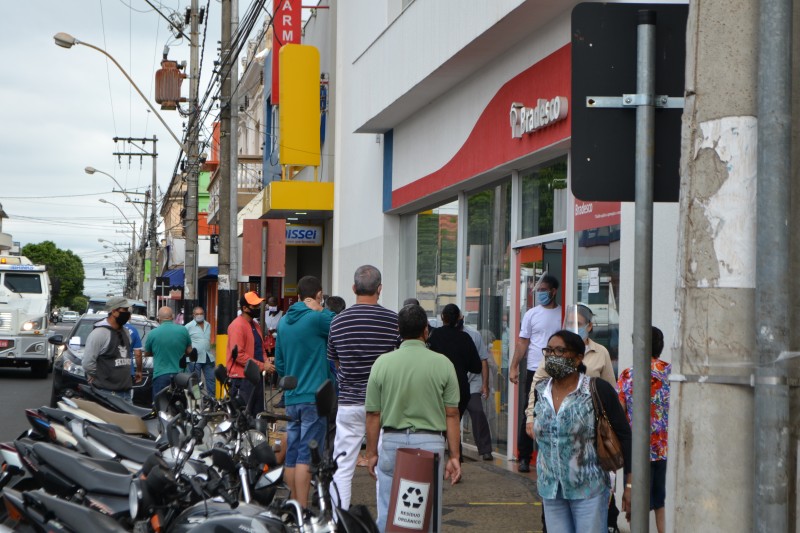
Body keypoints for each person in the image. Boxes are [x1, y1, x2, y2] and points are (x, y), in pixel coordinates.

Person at [365, 303, 462, 533]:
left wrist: (371, 453)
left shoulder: (382, 363)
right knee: (427, 513)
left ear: (399, 331)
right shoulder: (443, 364)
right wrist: (455, 455)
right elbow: (452, 414)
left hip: (391, 442)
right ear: (426, 331)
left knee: (388, 513)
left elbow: (373, 414)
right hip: (430, 445)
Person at [526, 330, 632, 533]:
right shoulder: (541, 390)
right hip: (551, 490)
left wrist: (629, 485)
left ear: (578, 358)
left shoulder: (597, 389)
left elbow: (626, 436)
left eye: (560, 351)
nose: (552, 356)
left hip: (589, 490)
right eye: (548, 350)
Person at [327, 265, 400, 511]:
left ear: (354, 288)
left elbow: (335, 360)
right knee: (383, 467)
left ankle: (339, 520)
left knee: (343, 465)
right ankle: (384, 522)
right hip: (384, 406)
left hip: (349, 403)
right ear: (379, 289)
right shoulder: (393, 322)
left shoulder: (337, 322)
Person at [274, 276, 335, 508]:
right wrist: (322, 309)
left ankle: (293, 505)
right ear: (318, 294)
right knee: (306, 457)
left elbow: (279, 366)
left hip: (291, 398)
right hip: (313, 398)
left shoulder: (283, 322)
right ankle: (303, 507)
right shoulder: (316, 319)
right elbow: (339, 323)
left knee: (292, 454)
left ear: (298, 296)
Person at [617, 326, 670, 533]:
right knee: (660, 500)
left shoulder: (628, 375)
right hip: (663, 448)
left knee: (635, 503)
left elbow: (619, 413)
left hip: (637, 451)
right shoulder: (669, 371)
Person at [510, 274, 562, 473]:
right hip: (534, 370)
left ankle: (550, 457)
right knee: (530, 411)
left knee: (555, 413)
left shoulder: (562, 314)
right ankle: (524, 456)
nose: (540, 293)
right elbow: (523, 342)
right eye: (538, 290)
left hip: (557, 370)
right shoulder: (531, 314)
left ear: (554, 291)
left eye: (543, 290)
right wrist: (514, 366)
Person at [227, 291, 276, 415]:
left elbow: (261, 347)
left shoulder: (255, 325)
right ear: (244, 308)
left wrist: (266, 360)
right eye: (254, 306)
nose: (258, 308)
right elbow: (239, 354)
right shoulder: (237, 326)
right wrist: (262, 366)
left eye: (258, 306)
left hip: (255, 377)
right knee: (243, 417)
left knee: (257, 415)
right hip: (242, 379)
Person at [82, 296, 138, 402]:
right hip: (107, 393)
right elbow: (88, 363)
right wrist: (99, 377)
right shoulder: (99, 334)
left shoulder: (125, 332)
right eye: (125, 310)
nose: (128, 313)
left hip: (126, 393)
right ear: (114, 312)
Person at [459, 313, 494, 461]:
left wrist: (485, 384)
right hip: (453, 384)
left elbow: (483, 360)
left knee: (478, 412)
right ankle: (455, 452)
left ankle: (485, 449)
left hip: (472, 383)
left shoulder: (474, 335)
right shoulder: (444, 334)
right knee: (452, 418)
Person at [145, 306, 193, 400]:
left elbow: (147, 353)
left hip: (161, 375)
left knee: (160, 406)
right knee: (183, 405)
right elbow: (189, 351)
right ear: (173, 317)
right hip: (181, 375)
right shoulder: (183, 330)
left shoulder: (152, 333)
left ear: (159, 317)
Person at [185, 306, 215, 397]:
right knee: (194, 382)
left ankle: (211, 400)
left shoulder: (208, 325)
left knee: (211, 379)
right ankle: (196, 401)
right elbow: (184, 341)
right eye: (197, 314)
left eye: (201, 313)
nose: (199, 315)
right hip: (194, 359)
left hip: (208, 357)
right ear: (193, 315)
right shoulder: (188, 326)